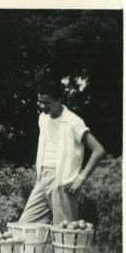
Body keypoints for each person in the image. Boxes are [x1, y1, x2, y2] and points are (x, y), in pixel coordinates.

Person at [18, 81, 106, 225]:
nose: (41, 106)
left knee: (64, 234)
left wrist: (81, 178)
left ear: (59, 100)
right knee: (25, 227)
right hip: (43, 178)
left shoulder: (74, 122)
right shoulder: (43, 118)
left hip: (63, 182)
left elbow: (99, 151)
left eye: (46, 103)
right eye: (39, 102)